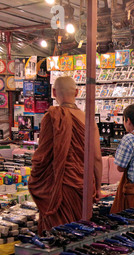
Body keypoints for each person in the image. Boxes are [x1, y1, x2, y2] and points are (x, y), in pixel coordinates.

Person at [29, 76, 102, 235]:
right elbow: (97, 157)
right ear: (77, 92)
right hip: (84, 185)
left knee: (58, 234)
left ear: (54, 92)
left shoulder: (52, 116)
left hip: (60, 184)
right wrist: (98, 187)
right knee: (81, 231)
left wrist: (36, 176)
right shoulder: (89, 119)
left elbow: (42, 155)